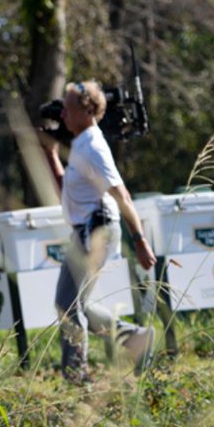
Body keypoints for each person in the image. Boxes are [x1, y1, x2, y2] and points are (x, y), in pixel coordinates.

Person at [41, 80, 157, 382]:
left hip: (97, 229)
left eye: (68, 109)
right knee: (81, 305)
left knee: (68, 306)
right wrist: (51, 154)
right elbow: (67, 190)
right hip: (85, 229)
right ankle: (137, 339)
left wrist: (140, 239)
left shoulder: (93, 146)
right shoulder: (81, 143)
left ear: (89, 110)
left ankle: (76, 377)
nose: (63, 115)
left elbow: (122, 195)